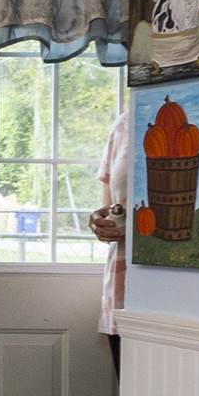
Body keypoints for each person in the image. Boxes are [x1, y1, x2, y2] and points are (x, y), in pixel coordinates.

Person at [85, 104, 133, 370]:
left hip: (184, 292)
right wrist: (99, 222)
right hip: (122, 288)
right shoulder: (123, 126)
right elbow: (109, 208)